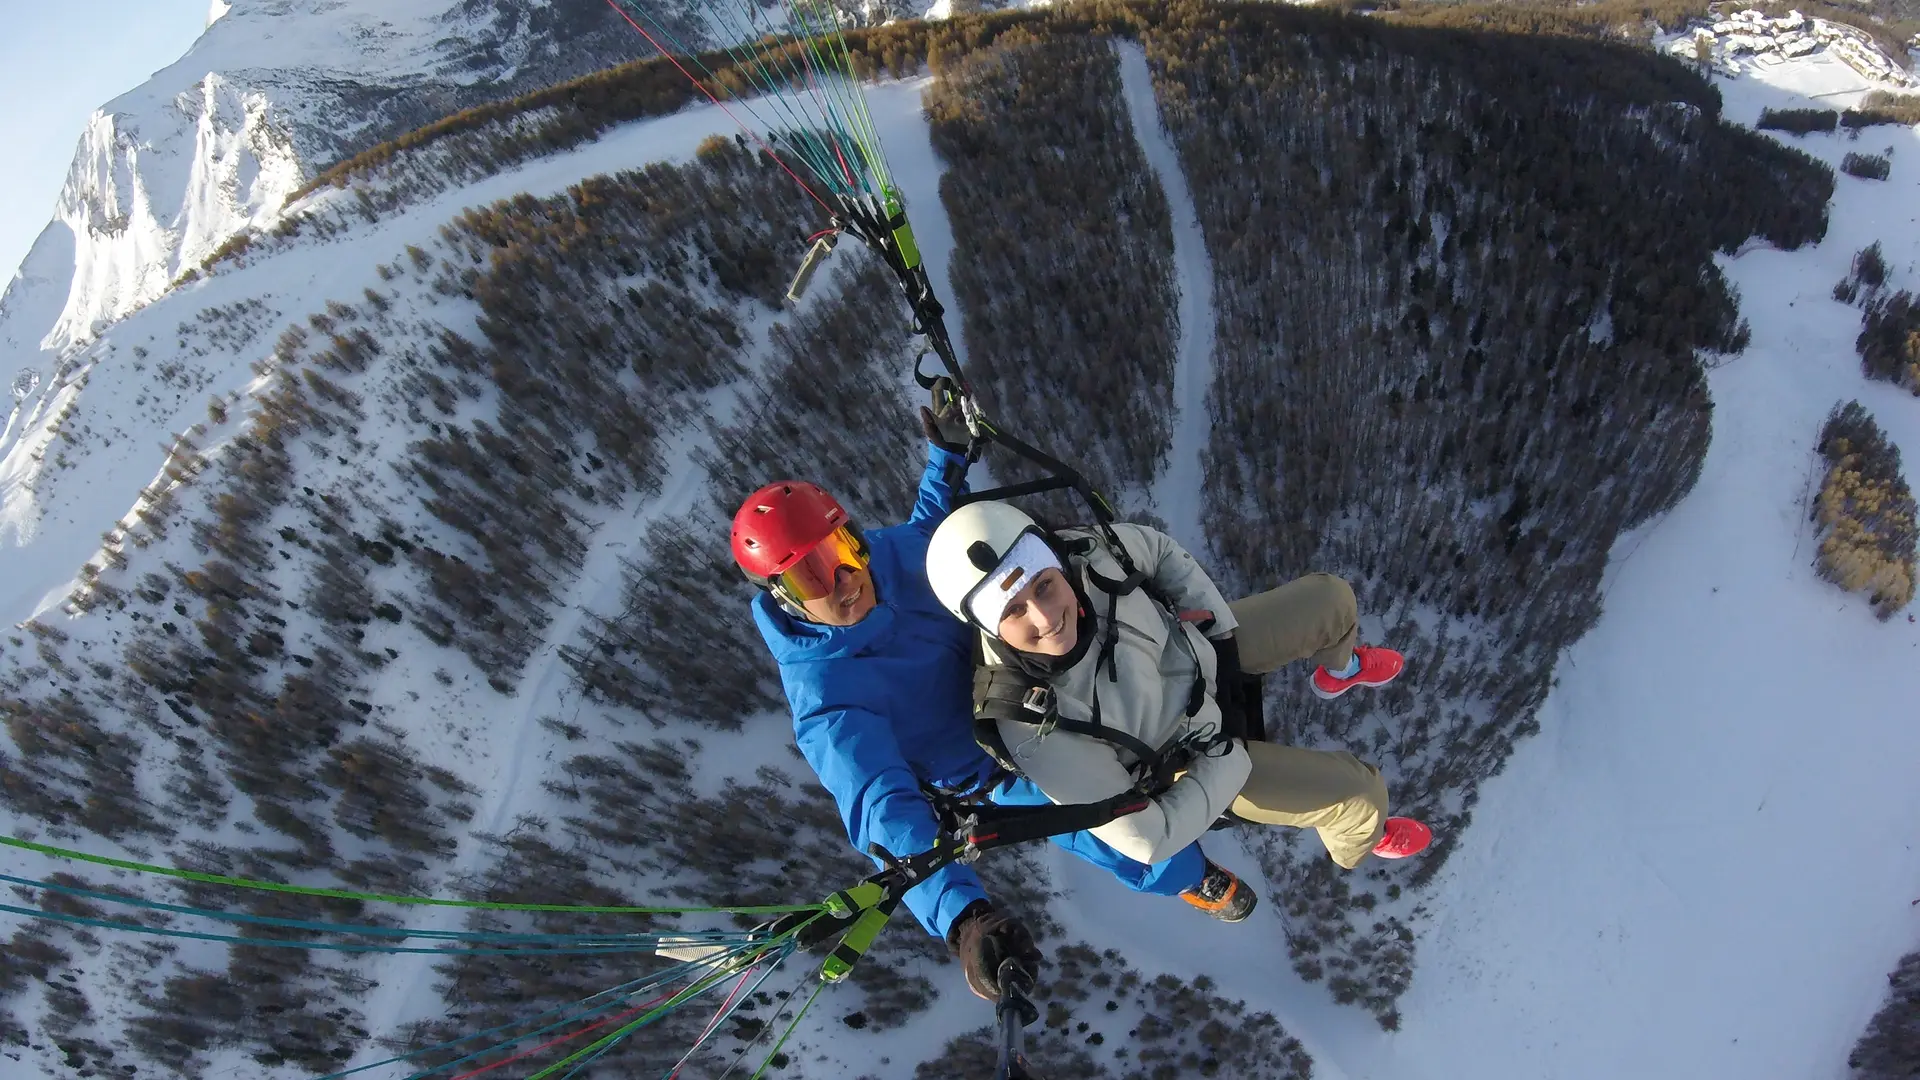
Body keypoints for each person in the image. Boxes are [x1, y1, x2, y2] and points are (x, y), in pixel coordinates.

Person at [731, 386, 1203, 1001]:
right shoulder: (828, 697)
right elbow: (883, 807)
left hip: (1036, 676)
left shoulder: (888, 558)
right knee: (1117, 829)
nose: (847, 580)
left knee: (1162, 701)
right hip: (997, 767)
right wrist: (965, 920)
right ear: (784, 595)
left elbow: (933, 527)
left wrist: (946, 458)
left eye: (845, 548)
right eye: (813, 574)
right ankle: (1195, 878)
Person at [924, 500, 1431, 923]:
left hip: (1200, 655)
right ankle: (1364, 839)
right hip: (1194, 756)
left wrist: (1220, 632)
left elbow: (1158, 549)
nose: (1045, 615)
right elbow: (1146, 840)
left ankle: (1336, 671)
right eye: (1013, 610)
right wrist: (1227, 760)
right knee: (1360, 795)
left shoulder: (1086, 556)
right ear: (987, 626)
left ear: (1054, 562)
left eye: (1044, 586)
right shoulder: (1034, 723)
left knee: (1332, 601)